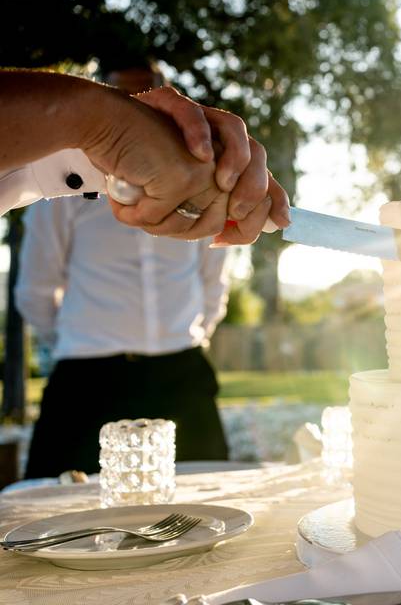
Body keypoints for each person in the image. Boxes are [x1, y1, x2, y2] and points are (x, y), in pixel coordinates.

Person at [16, 60, 233, 477]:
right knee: (56, 504)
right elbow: (36, 288)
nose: (137, 112)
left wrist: (190, 333)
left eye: (146, 99)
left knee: (211, 497)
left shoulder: (200, 181)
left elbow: (214, 275)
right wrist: (75, 340)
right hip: (86, 378)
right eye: (123, 102)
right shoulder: (63, 182)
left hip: (180, 372)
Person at [0, 69, 290, 243]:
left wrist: (98, 133)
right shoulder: (54, 205)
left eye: (134, 102)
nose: (134, 107)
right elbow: (38, 280)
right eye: (115, 94)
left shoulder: (198, 188)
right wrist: (99, 121)